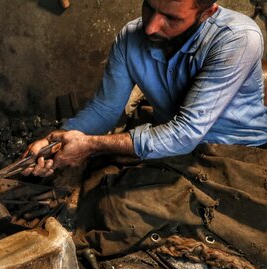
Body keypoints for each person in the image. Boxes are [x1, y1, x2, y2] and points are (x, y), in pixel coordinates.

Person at [24, 0, 267, 177]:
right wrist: (51, 141)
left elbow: (186, 133)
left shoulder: (238, 38)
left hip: (238, 153)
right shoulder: (130, 37)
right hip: (172, 152)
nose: (150, 27)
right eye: (149, 7)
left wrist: (92, 144)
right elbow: (104, 109)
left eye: (171, 18)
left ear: (207, 13)